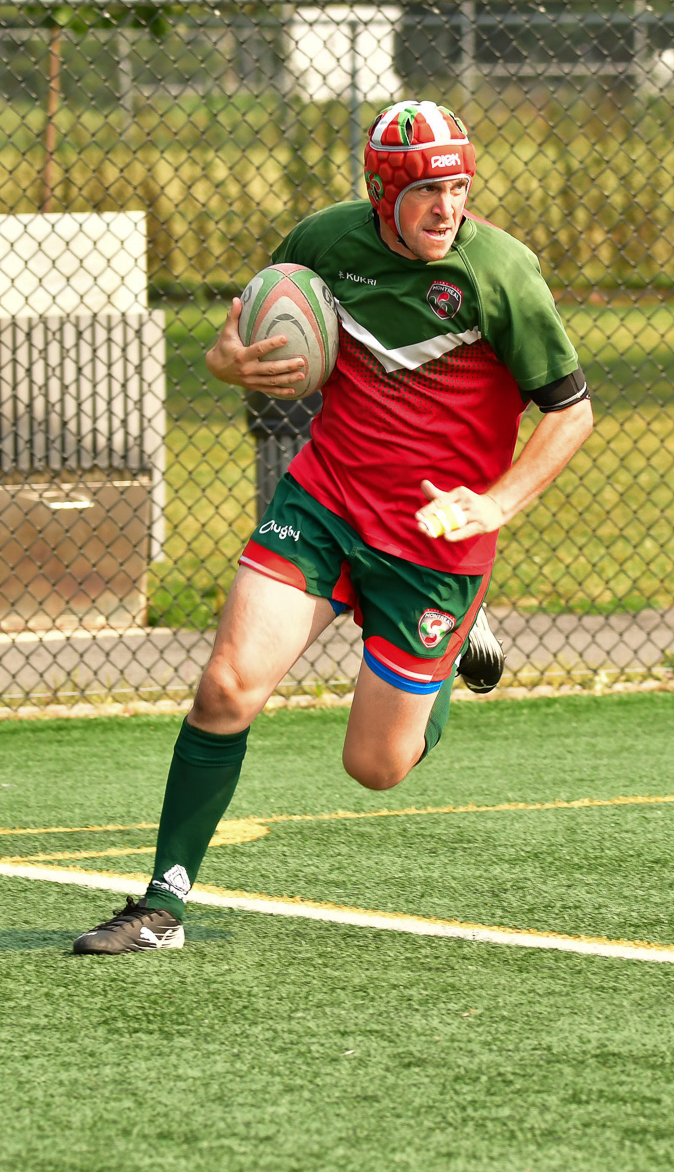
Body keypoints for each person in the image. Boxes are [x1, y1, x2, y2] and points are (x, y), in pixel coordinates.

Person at [74, 100, 595, 953]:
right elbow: (234, 337)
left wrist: (496, 503)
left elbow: (570, 413)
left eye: (459, 187)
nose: (448, 208)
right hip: (324, 502)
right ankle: (159, 905)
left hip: (435, 540)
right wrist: (228, 361)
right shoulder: (325, 241)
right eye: (428, 191)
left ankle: (456, 647)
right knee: (226, 688)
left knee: (376, 767)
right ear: (381, 193)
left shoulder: (500, 272)